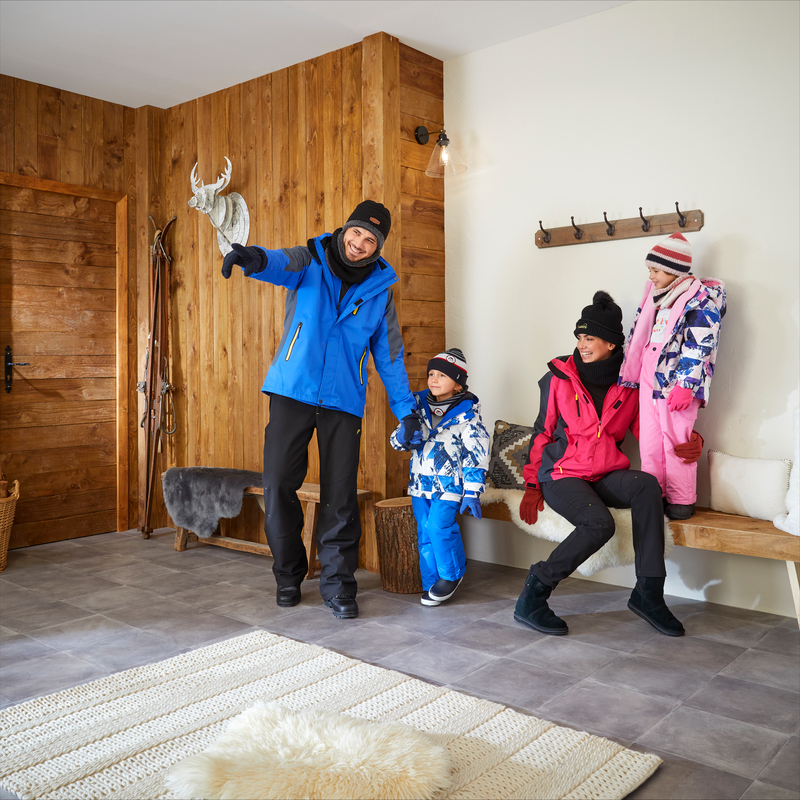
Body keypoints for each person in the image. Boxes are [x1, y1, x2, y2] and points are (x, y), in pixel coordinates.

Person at [221, 200, 422, 619]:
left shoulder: (380, 293)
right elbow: (279, 263)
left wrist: (406, 410)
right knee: (277, 484)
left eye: (370, 240)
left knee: (339, 497)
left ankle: (338, 586)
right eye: (356, 234)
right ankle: (289, 574)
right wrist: (252, 257)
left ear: (378, 247)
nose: (359, 244)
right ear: (344, 229)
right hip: (292, 389)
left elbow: (390, 357)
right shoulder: (311, 258)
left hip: (343, 400)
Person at [515, 291, 688, 637]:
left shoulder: (629, 385)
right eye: (579, 337)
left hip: (606, 473)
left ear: (611, 343)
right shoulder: (558, 378)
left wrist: (684, 443)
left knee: (645, 485)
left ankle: (648, 594)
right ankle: (534, 594)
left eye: (589, 337)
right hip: (563, 475)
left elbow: (649, 432)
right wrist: (533, 485)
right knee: (599, 524)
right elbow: (542, 432)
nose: (581, 344)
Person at [618, 232, 726, 520]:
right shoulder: (657, 299)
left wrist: (686, 384)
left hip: (677, 385)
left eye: (655, 270)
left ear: (673, 270)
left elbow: (700, 344)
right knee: (651, 443)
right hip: (650, 381)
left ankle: (681, 499)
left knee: (677, 443)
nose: (650, 276)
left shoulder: (699, 301)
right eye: (649, 270)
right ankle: (655, 495)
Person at [390, 349, 490, 606]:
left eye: (441, 375)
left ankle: (451, 575)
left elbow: (476, 453)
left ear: (458, 383)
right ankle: (431, 581)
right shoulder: (416, 405)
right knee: (424, 531)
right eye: (431, 374)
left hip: (450, 485)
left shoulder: (467, 413)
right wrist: (401, 438)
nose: (433, 379)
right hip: (420, 484)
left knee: (439, 527)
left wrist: (472, 491)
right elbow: (398, 438)